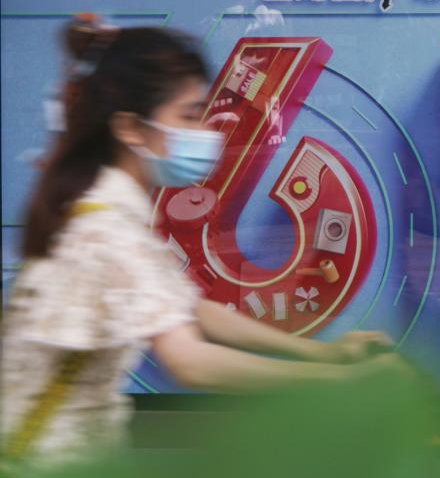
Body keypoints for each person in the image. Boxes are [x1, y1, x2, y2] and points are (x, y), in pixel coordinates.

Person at [1, 24, 404, 473]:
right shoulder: (107, 227)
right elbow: (189, 360)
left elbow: (191, 309)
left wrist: (323, 353)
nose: (205, 131)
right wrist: (338, 381)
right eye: (189, 116)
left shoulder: (112, 206)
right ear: (132, 129)